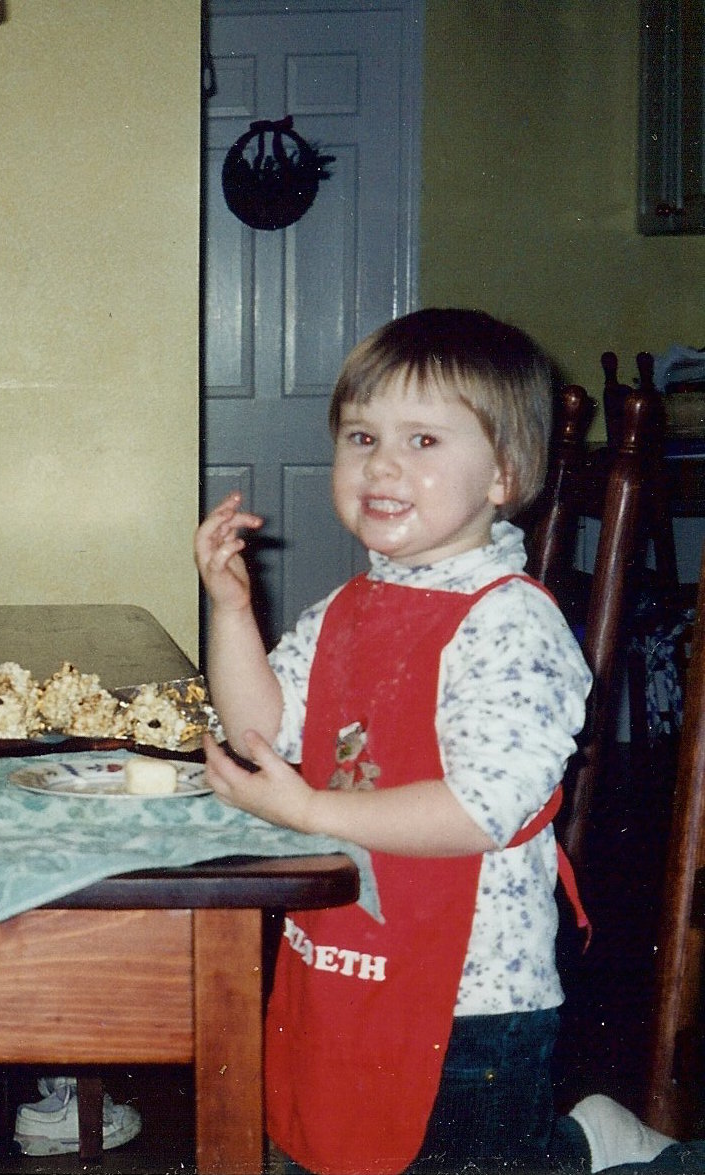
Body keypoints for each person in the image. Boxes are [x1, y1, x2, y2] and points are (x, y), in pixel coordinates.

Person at [194, 308, 681, 1174]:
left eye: (422, 440)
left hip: (471, 999)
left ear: (502, 474)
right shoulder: (341, 609)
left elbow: (482, 807)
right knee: (327, 1141)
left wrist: (307, 805)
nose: (381, 462)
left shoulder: (511, 622)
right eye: (361, 435)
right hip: (336, 953)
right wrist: (231, 610)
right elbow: (261, 731)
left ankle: (590, 1148)